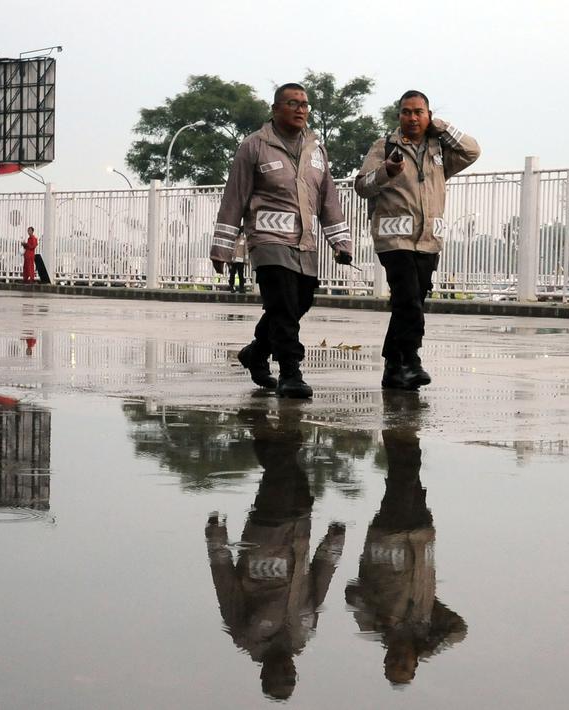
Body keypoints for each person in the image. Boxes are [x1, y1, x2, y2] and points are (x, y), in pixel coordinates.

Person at [209, 83, 353, 399]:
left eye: (305, 104)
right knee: (284, 306)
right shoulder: (254, 146)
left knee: (297, 303)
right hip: (267, 241)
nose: (301, 109)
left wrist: (341, 243)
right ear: (275, 109)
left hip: (304, 243)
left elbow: (328, 200)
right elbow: (234, 198)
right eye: (292, 103)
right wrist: (222, 246)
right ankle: (291, 372)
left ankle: (256, 352)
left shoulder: (316, 150)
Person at [205, 408, 346, 701]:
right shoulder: (302, 636)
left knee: (281, 468)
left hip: (265, 533)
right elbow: (319, 585)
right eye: (290, 676)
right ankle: (261, 427)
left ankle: (273, 421)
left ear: (263, 674)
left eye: (278, 676)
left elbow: (225, 585)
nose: (286, 670)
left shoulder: (245, 634)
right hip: (299, 532)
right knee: (288, 469)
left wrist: (216, 540)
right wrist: (333, 545)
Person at [355, 90, 480, 390]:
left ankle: (393, 367)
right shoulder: (384, 146)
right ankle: (411, 360)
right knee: (409, 299)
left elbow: (472, 151)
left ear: (428, 115)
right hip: (394, 239)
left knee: (409, 303)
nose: (412, 117)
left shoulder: (439, 151)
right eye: (406, 112)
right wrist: (386, 171)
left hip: (428, 240)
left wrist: (444, 127)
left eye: (418, 112)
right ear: (398, 115)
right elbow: (362, 185)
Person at [345, 393, 466, 686]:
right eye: (405, 664)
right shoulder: (425, 628)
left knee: (404, 477)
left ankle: (398, 425)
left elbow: (351, 593)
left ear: (384, 659)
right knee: (409, 476)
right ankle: (401, 427)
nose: (398, 659)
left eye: (392, 663)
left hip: (388, 537)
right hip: (420, 537)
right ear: (415, 663)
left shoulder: (370, 624)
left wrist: (380, 610)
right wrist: (425, 647)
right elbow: (459, 629)